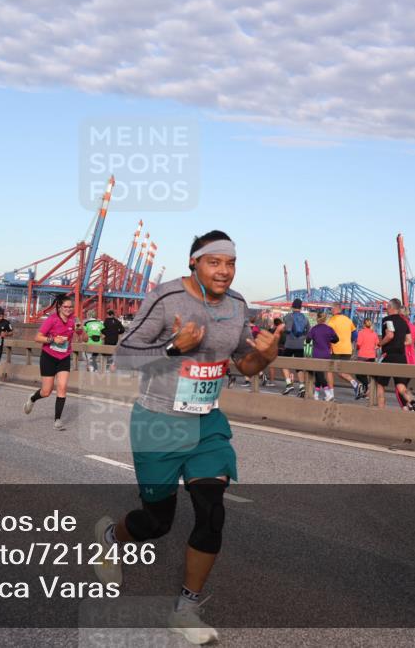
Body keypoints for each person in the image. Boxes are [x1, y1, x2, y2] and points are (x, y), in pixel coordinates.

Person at [93, 231, 284, 644]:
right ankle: (111, 537)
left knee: (212, 511)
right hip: (158, 421)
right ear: (194, 263)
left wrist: (266, 356)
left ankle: (187, 608)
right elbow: (124, 355)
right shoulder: (165, 298)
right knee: (157, 522)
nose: (224, 271)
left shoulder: (237, 307)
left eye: (230, 263)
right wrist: (173, 349)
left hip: (206, 422)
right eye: (214, 262)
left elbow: (244, 366)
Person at [23, 294, 86, 431]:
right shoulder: (52, 320)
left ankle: (57, 419)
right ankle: (33, 398)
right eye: (65, 307)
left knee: (62, 387)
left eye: (71, 307)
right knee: (46, 391)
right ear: (59, 306)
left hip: (64, 357)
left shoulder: (74, 320)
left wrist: (81, 330)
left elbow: (85, 339)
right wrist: (53, 340)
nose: (69, 309)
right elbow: (37, 337)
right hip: (49, 357)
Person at [373, 298, 415, 410]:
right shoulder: (404, 322)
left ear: (391, 307)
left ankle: (381, 410)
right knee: (401, 386)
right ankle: (412, 402)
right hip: (401, 357)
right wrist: (399, 343)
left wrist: (379, 344)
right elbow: (409, 340)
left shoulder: (387, 320)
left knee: (380, 385)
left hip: (389, 356)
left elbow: (390, 335)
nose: (386, 309)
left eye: (387, 307)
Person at [327, 303, 361, 399]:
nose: (331, 310)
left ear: (335, 309)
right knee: (341, 371)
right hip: (347, 350)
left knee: (329, 371)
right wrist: (347, 341)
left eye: (331, 308)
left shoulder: (332, 321)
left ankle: (331, 394)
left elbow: (328, 335)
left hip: (335, 349)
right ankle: (355, 384)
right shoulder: (348, 320)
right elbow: (355, 335)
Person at [395, 309, 415, 411]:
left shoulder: (399, 327)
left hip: (402, 360)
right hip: (412, 361)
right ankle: (411, 406)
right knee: (403, 387)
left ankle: (408, 407)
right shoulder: (414, 327)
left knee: (399, 388)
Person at [306, 311, 339, 401]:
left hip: (317, 354)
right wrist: (328, 340)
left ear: (317, 318)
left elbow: (308, 340)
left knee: (319, 375)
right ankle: (316, 394)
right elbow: (336, 339)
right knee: (319, 375)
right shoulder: (329, 329)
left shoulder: (314, 329)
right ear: (325, 319)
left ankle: (328, 393)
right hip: (327, 354)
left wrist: (312, 338)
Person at [281, 298, 309, 396]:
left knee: (283, 363)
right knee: (299, 366)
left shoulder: (288, 316)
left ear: (292, 306)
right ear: (301, 307)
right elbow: (308, 332)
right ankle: (301, 387)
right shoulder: (305, 318)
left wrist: (284, 331)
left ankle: (289, 384)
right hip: (300, 345)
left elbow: (288, 329)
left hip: (289, 344)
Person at [354, 318, 379, 397]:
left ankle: (368, 386)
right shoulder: (374, 333)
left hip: (363, 356)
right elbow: (378, 344)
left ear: (364, 324)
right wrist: (373, 349)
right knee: (368, 374)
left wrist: (357, 348)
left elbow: (358, 344)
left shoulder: (361, 332)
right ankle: (366, 392)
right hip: (372, 356)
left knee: (359, 374)